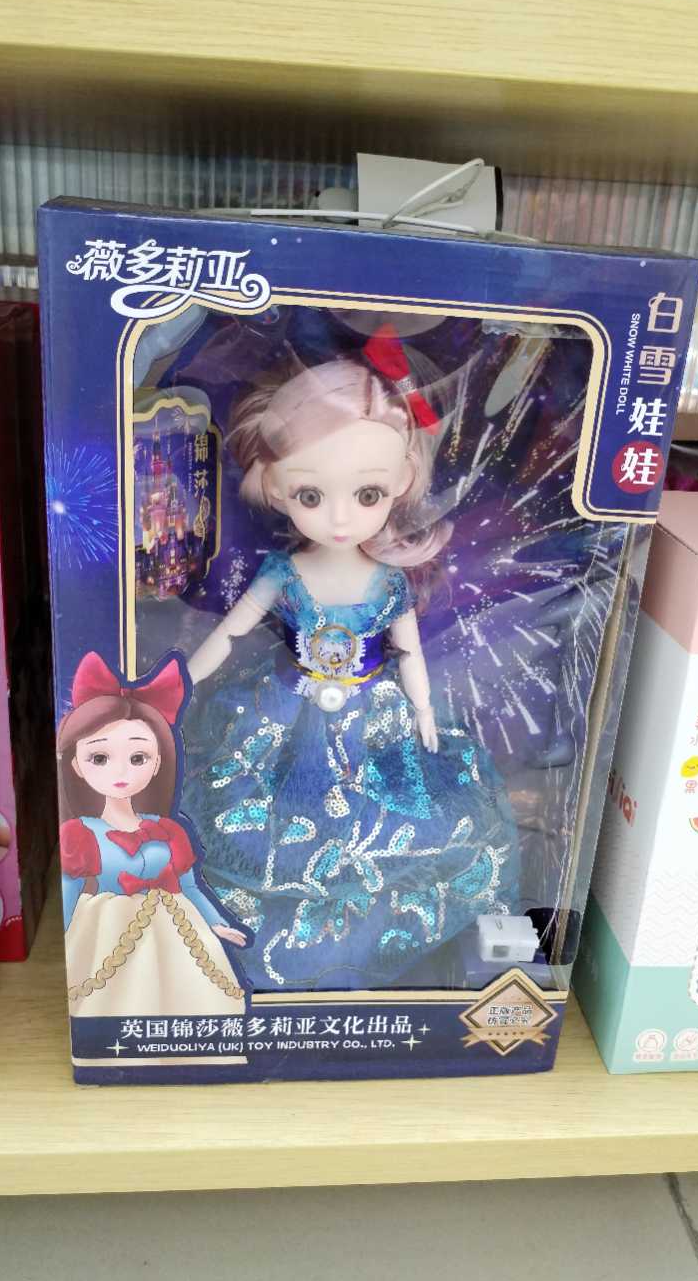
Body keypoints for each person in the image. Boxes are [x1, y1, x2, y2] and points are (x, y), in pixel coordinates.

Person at [182, 344, 518, 991]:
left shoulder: (389, 581)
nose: (339, 517)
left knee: (393, 823)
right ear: (274, 486)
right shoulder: (285, 572)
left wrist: (423, 709)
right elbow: (230, 632)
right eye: (310, 494)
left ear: (401, 483)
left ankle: (360, 949)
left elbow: (410, 652)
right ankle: (273, 952)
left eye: (367, 494)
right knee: (257, 819)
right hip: (285, 711)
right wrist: (175, 686)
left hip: (373, 714)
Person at [57, 652, 249, 1019]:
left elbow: (190, 886)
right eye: (100, 758)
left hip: (177, 930)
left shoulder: (169, 831)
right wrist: (64, 940)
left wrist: (216, 923)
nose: (121, 772)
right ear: (77, 764)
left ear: (158, 761)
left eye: (138, 758)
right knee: (118, 1001)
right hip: (108, 934)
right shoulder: (82, 835)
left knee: (190, 1000)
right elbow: (69, 892)